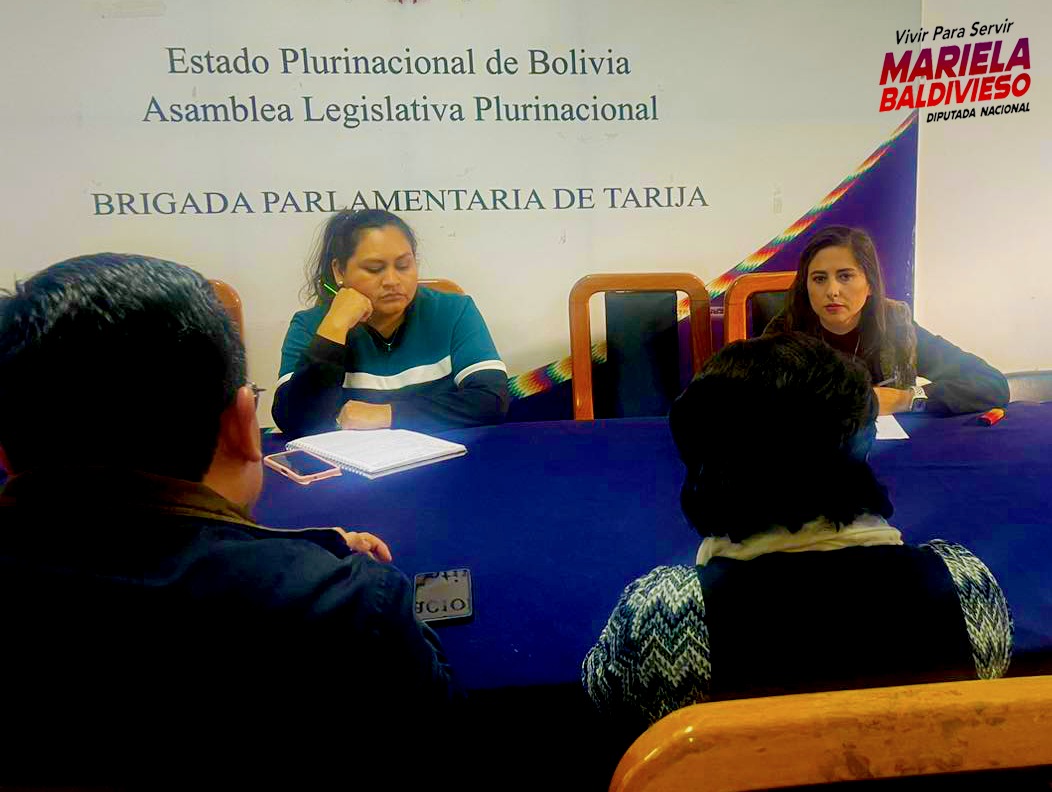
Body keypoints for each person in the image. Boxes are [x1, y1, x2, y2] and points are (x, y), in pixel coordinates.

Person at [0, 254, 456, 786]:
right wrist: (338, 570)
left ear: (5, 452)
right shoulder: (345, 604)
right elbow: (440, 731)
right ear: (243, 425)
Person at [582, 333, 1012, 739]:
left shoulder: (667, 614)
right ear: (864, 444)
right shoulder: (965, 584)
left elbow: (606, 698)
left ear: (707, 464)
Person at [273, 209, 509, 437]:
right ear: (339, 271)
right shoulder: (310, 325)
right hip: (352, 463)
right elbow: (296, 422)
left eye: (403, 265)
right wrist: (335, 328)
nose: (392, 280)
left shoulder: (454, 311)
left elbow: (491, 401)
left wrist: (387, 414)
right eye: (374, 269)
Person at [763, 225, 1009, 415]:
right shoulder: (784, 332)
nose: (832, 291)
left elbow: (990, 383)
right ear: (806, 286)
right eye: (819, 279)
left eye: (845, 276)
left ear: (869, 284)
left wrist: (906, 399)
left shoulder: (897, 327)